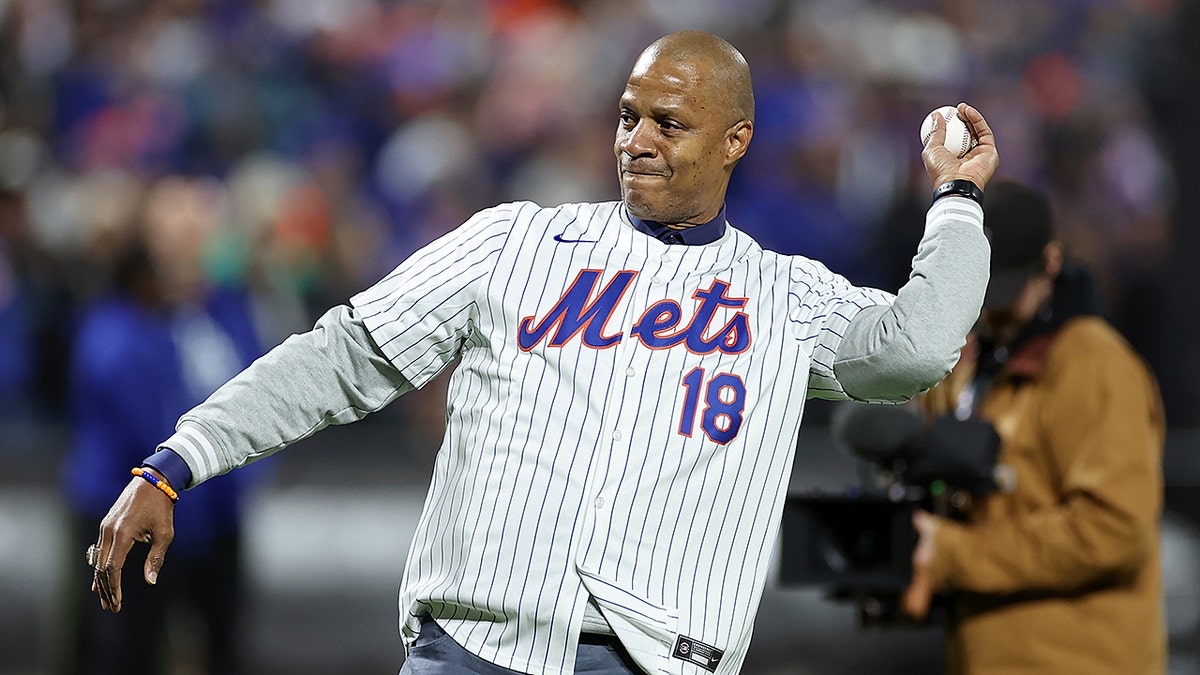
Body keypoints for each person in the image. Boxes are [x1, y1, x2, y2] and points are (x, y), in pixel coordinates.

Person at [88, 31, 998, 674]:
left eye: (668, 123)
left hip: (658, 660)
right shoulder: (515, 240)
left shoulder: (787, 295)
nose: (636, 139)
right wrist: (178, 461)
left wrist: (956, 200)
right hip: (471, 650)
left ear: (736, 141)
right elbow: (342, 356)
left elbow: (918, 347)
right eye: (628, 114)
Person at [902, 179, 1166, 674]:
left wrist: (956, 554)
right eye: (978, 288)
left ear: (1051, 263)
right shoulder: (962, 361)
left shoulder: (1093, 364)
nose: (990, 309)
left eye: (1003, 288)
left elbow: (1114, 531)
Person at [63, 183, 267, 674]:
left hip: (214, 516)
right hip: (123, 514)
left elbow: (266, 398)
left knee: (223, 649)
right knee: (120, 652)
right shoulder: (117, 324)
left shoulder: (228, 314)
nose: (186, 248)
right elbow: (133, 422)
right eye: (174, 234)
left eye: (197, 232)